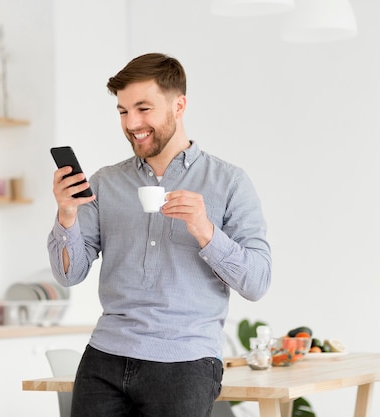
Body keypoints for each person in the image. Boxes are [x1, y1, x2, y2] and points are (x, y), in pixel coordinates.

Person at [47, 52, 272, 417]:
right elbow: (68, 274)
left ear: (179, 105)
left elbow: (257, 282)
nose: (131, 123)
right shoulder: (105, 182)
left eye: (143, 108)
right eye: (122, 111)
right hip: (105, 357)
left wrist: (205, 230)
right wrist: (67, 214)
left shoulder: (229, 182)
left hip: (184, 362)